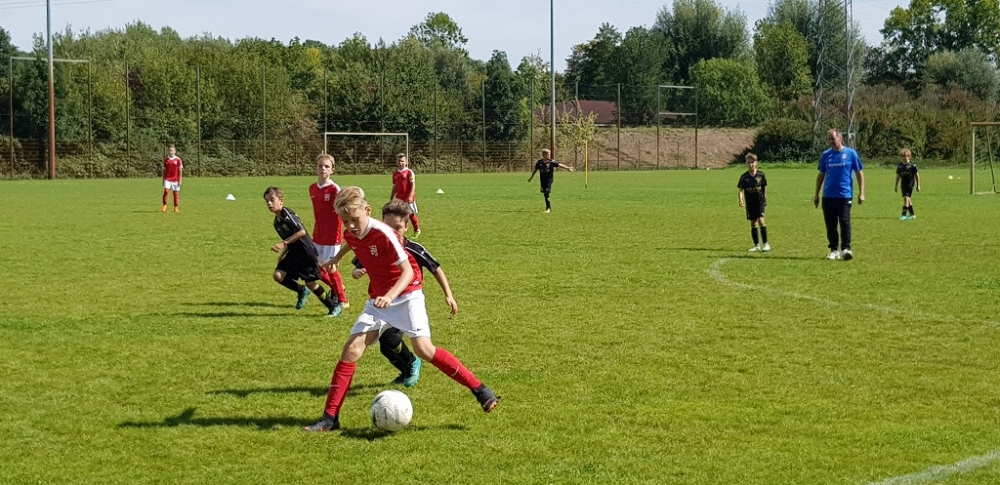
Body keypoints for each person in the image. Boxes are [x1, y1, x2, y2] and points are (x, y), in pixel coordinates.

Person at [304, 186, 498, 432]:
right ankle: (330, 418)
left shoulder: (386, 234)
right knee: (351, 349)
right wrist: (336, 258)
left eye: (355, 219)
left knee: (424, 349)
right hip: (379, 299)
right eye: (345, 221)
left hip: (407, 295)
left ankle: (481, 390)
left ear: (368, 210)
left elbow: (407, 272)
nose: (350, 226)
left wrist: (390, 295)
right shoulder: (352, 232)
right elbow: (351, 242)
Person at [351, 200, 459, 388]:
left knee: (394, 340)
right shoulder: (376, 244)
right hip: (383, 303)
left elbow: (436, 268)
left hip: (407, 301)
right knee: (386, 346)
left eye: (398, 228)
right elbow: (358, 266)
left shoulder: (413, 248)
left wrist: (448, 295)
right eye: (388, 227)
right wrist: (357, 272)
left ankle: (412, 362)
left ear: (407, 227)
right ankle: (406, 368)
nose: (392, 232)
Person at [263, 187, 342, 317]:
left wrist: (283, 243)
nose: (269, 203)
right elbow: (289, 239)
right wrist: (282, 255)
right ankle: (301, 290)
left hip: (306, 253)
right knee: (278, 275)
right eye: (267, 201)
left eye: (272, 200)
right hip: (293, 254)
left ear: (281, 200)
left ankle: (333, 306)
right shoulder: (276, 222)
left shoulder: (287, 214)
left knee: (311, 283)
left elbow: (301, 232)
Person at [813, 129, 865, 261]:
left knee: (845, 222)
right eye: (829, 139)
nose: (831, 141)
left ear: (840, 138)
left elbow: (859, 173)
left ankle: (846, 249)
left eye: (833, 139)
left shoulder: (851, 154)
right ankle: (834, 250)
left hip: (844, 195)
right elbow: (821, 175)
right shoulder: (826, 155)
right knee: (830, 225)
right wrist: (816, 194)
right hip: (828, 196)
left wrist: (861, 192)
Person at [309, 153, 349, 309]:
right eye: (320, 166)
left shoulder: (334, 189)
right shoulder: (312, 188)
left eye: (327, 166)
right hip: (318, 234)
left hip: (333, 235)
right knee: (315, 267)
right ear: (316, 168)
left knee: (331, 267)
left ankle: (343, 300)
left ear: (332, 170)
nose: (323, 169)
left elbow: (343, 209)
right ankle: (338, 287)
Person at [738, 153, 770, 252]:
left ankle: (766, 244)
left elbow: (764, 187)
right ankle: (756, 245)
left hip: (759, 201)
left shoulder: (761, 175)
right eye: (748, 162)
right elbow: (741, 190)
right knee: (753, 222)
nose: (751, 164)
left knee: (761, 220)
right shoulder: (744, 177)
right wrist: (741, 200)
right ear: (746, 163)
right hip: (750, 203)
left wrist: (765, 198)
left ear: (756, 163)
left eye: (752, 162)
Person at [527, 148, 574, 213]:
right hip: (542, 181)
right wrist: (531, 178)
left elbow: (559, 164)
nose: (549, 156)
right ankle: (547, 207)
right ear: (543, 155)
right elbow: (535, 170)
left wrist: (568, 168)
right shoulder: (539, 162)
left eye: (549, 154)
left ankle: (549, 208)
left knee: (546, 192)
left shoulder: (551, 162)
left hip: (549, 180)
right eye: (548, 154)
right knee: (545, 193)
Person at [390, 153, 421, 237]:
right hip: (399, 199)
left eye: (402, 161)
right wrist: (392, 198)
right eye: (399, 161)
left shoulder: (409, 172)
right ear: (396, 162)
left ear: (406, 162)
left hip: (408, 199)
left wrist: (410, 196)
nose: (401, 163)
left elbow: (413, 185)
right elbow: (394, 186)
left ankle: (417, 230)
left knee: (411, 215)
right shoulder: (395, 174)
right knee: (398, 215)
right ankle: (398, 232)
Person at [894, 148, 921, 220]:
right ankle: (912, 215)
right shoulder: (900, 166)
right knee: (908, 199)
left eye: (906, 156)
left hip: (910, 184)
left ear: (909, 157)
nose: (905, 158)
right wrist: (896, 186)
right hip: (903, 184)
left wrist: (918, 185)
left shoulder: (912, 165)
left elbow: (917, 175)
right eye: (903, 156)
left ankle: (904, 215)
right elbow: (898, 176)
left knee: (906, 198)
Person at [161, 144, 183, 213]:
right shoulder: (166, 160)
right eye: (170, 151)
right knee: (166, 191)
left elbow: (180, 170)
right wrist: (163, 180)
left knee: (175, 193)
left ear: (175, 151)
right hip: (167, 179)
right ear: (168, 151)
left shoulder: (178, 159)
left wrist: (180, 180)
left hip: (175, 179)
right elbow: (164, 170)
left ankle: (176, 207)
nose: (171, 152)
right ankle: (164, 205)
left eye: (172, 150)